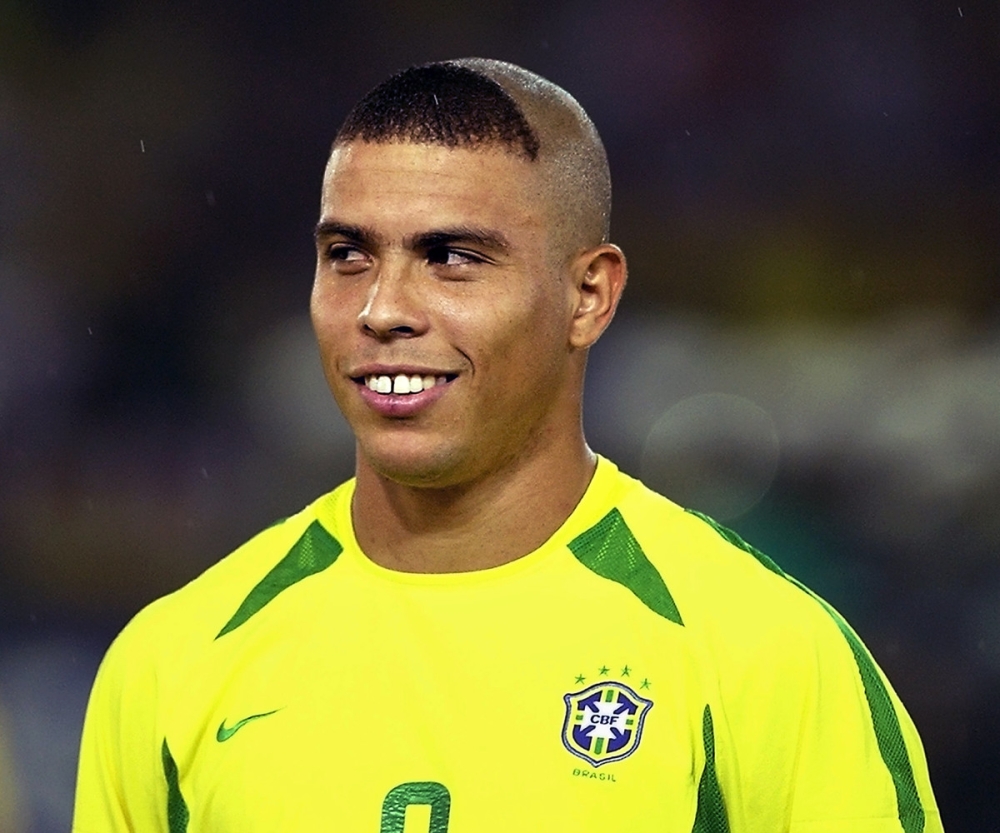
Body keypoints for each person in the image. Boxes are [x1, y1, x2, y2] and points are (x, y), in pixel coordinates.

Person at [72, 58, 943, 833]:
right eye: (347, 254)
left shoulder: (765, 656)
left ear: (589, 296)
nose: (382, 309)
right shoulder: (173, 662)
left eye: (452, 256)